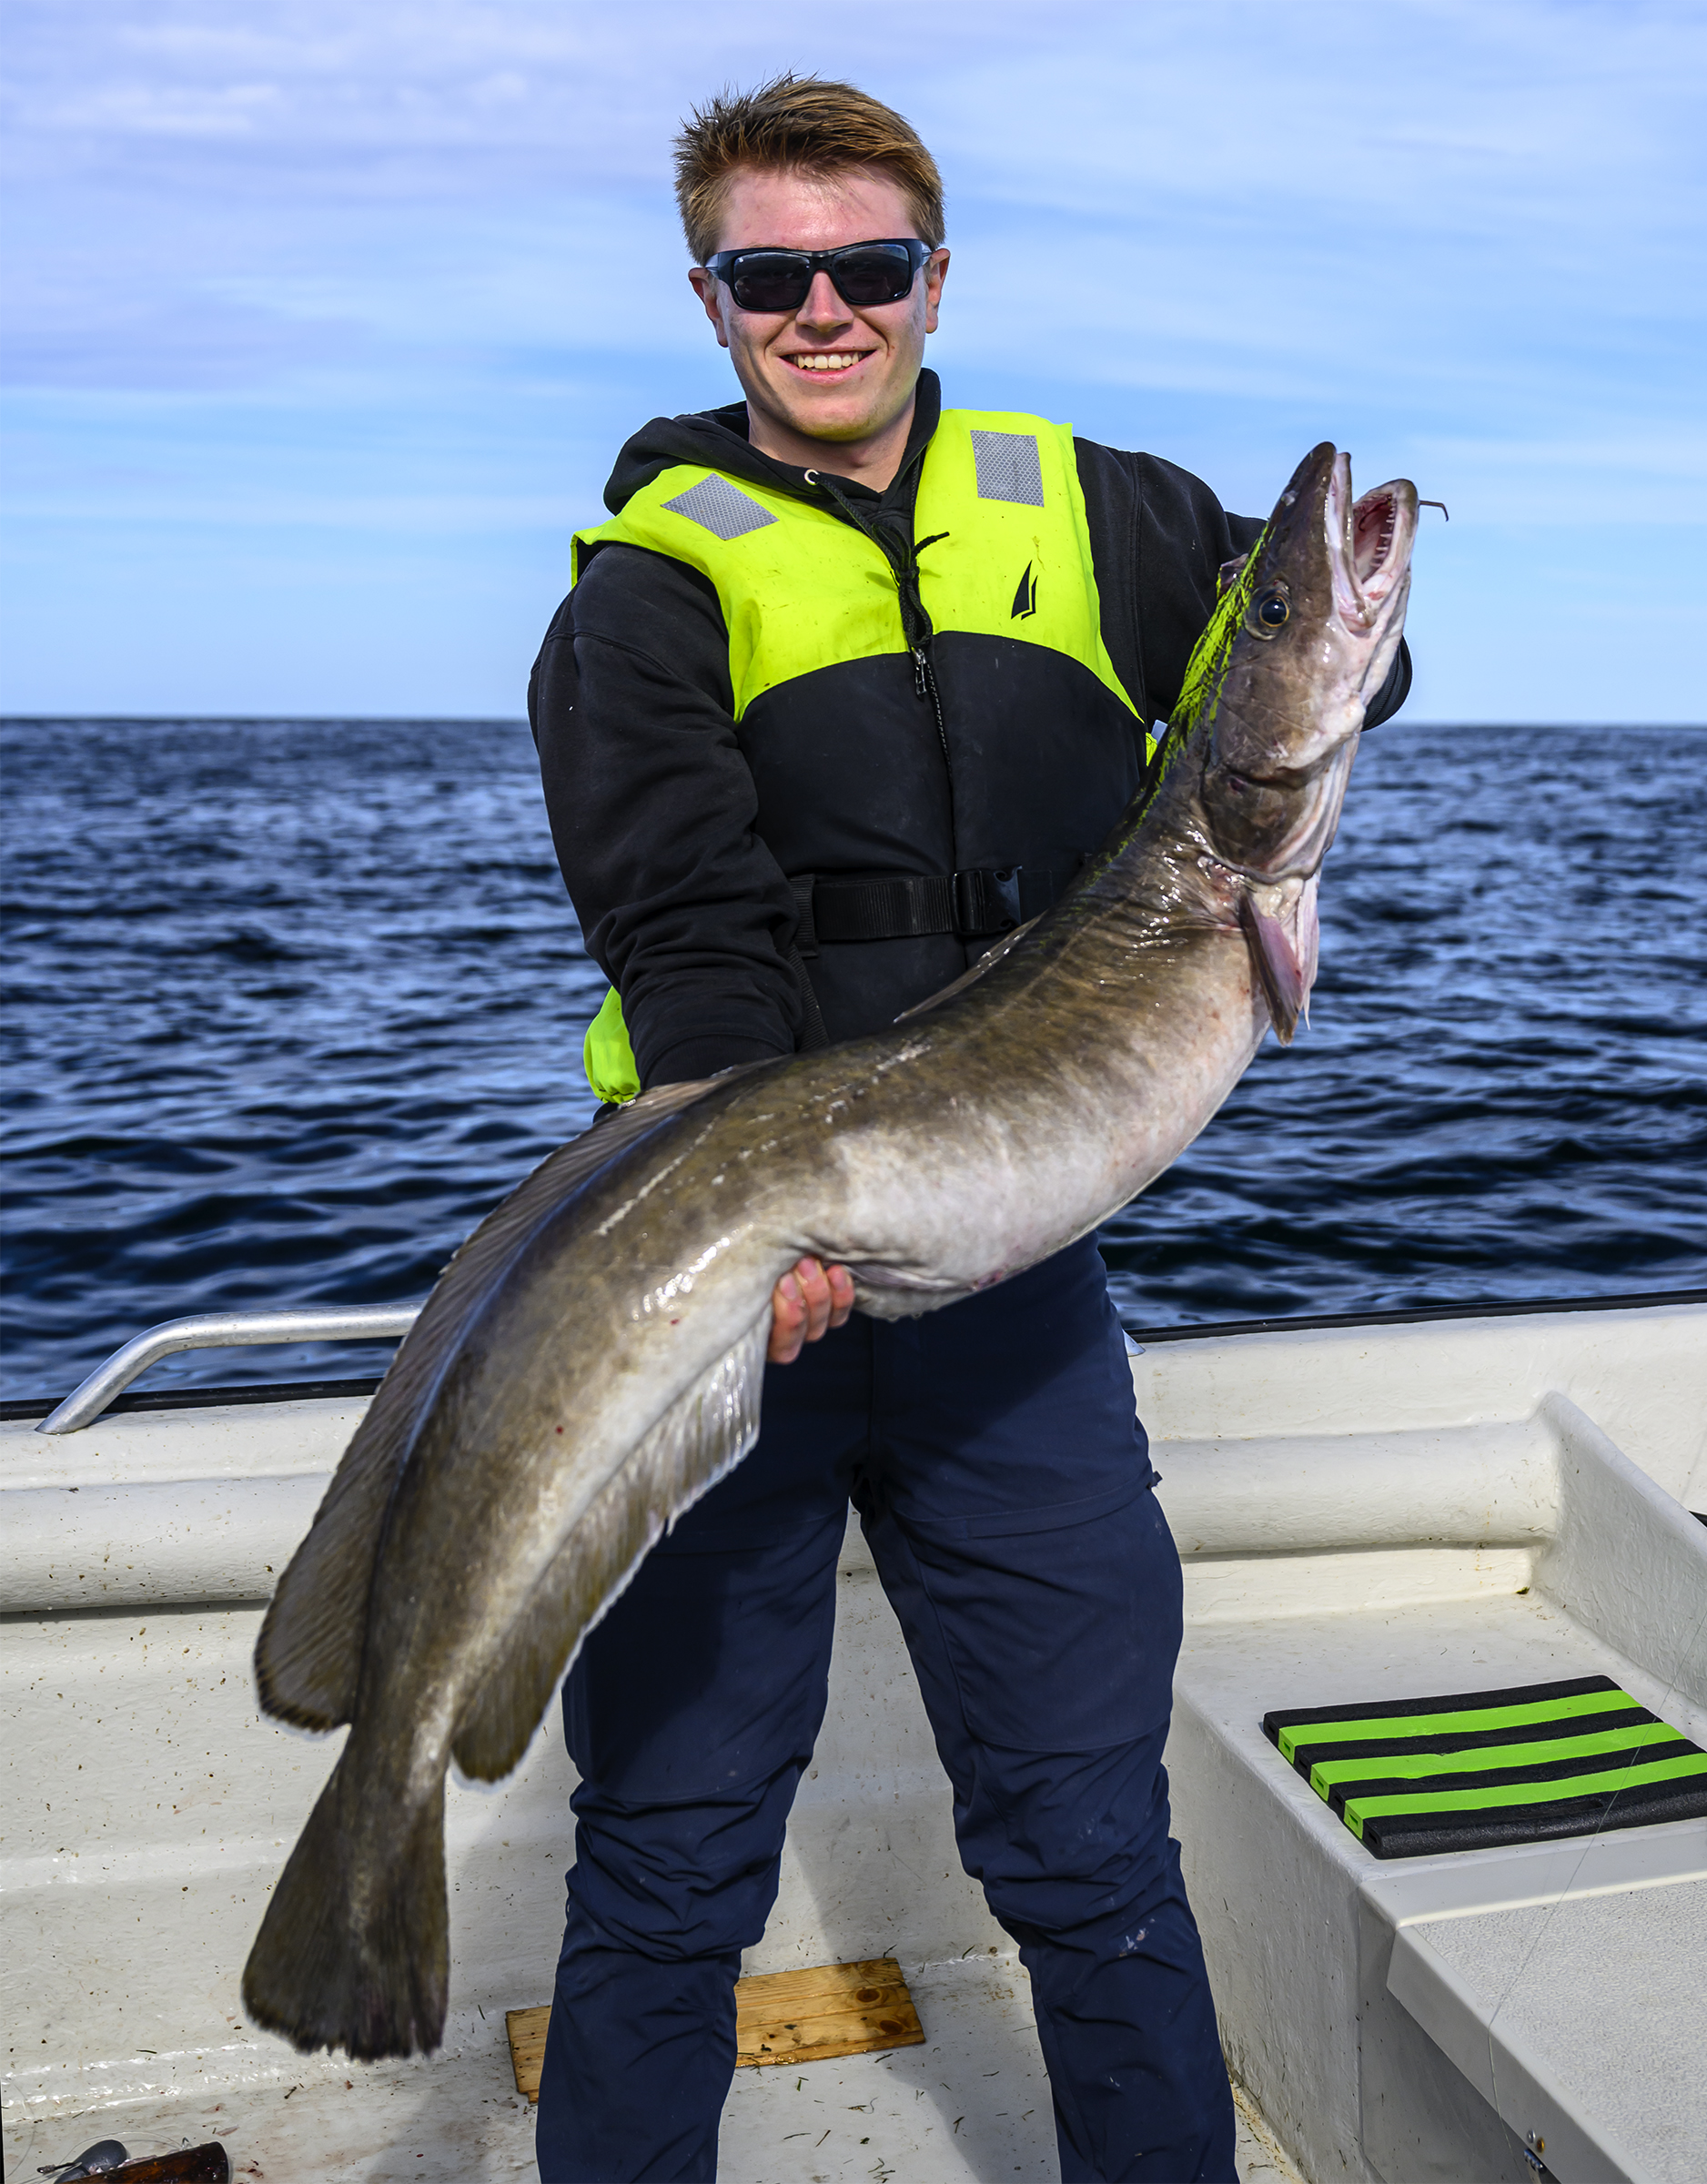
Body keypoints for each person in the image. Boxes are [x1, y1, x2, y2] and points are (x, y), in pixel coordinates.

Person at [528, 75, 1409, 2184]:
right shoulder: (643, 598)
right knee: (665, 1863)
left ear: (936, 279)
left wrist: (1340, 630)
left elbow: (1287, 679)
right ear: (712, 295)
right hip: (751, 1292)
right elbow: (684, 929)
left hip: (1017, 1301)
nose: (824, 308)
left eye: (869, 266)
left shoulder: (1110, 506)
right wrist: (774, 1226)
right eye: (773, 274)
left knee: (1098, 1845)